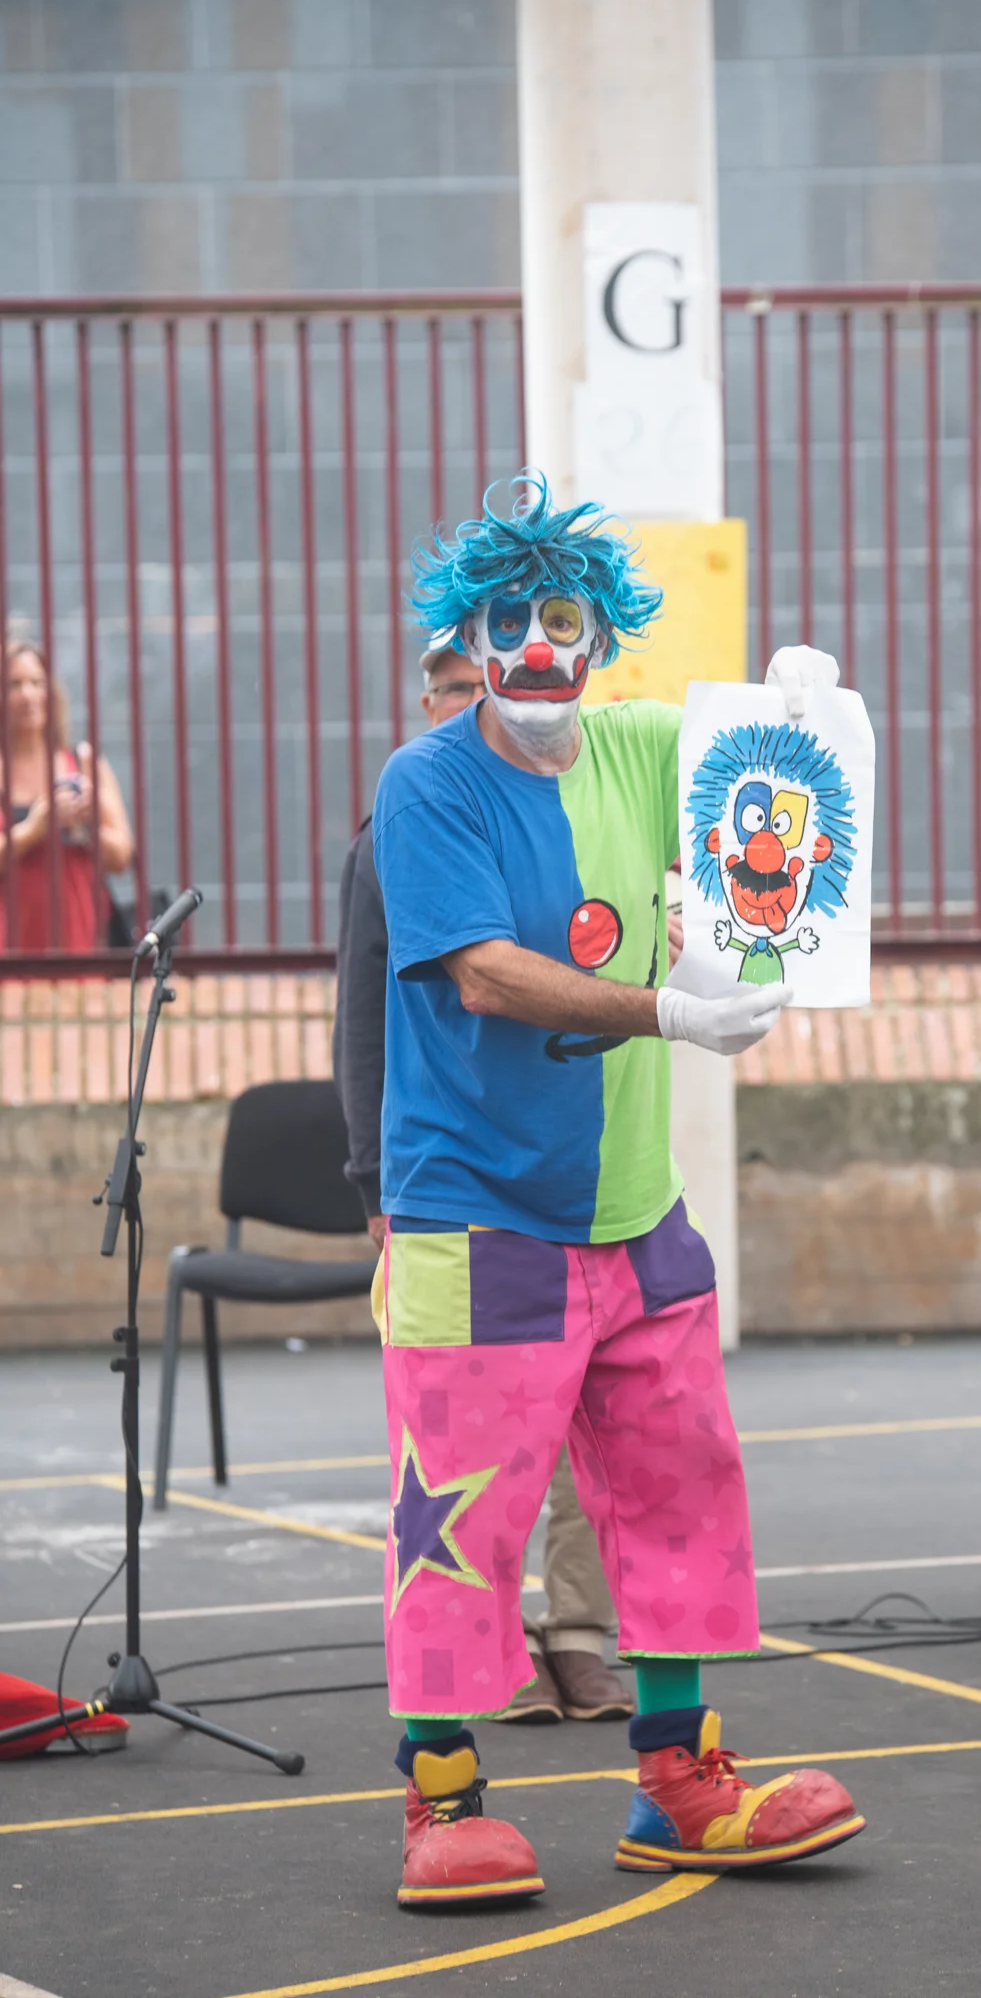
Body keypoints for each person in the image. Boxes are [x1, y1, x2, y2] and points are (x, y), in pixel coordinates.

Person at [371, 474, 864, 1909]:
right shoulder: (427, 785)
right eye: (508, 620)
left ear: (601, 635)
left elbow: (755, 783)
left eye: (562, 618)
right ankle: (441, 1793)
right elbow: (483, 973)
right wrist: (667, 1009)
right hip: (479, 1213)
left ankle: (680, 1779)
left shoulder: (643, 745)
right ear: (471, 635)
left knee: (678, 1490)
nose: (536, 645)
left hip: (636, 1213)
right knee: (460, 1516)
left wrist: (795, 715)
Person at [333, 637, 633, 1725]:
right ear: (432, 703)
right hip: (461, 1180)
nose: (486, 703)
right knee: (481, 1443)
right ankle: (491, 1646)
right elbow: (363, 1012)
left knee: (597, 1428)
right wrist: (374, 1177)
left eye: (486, 685)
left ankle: (580, 1631)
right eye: (459, 689)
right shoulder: (406, 822)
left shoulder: (584, 804)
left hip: (581, 1168)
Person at [0, 640, 134, 951]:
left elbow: (121, 856)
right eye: (15, 684)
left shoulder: (84, 761)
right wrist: (34, 829)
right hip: (11, 944)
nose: (28, 694)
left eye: (37, 682)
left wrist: (86, 826)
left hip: (83, 936)